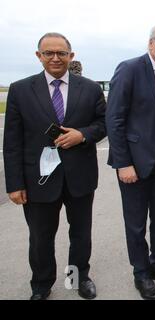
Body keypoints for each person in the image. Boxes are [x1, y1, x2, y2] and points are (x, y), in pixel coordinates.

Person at [3, 32, 106, 300]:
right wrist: (14, 185)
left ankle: (78, 278)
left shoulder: (91, 88)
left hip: (79, 177)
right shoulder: (20, 90)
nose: (55, 58)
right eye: (49, 53)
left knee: (81, 234)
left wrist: (82, 134)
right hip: (39, 179)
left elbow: (105, 124)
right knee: (40, 238)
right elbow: (12, 142)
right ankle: (41, 285)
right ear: (39, 56)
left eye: (61, 53)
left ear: (71, 56)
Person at [106, 23, 155, 300]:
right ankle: (141, 273)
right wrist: (123, 163)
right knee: (136, 222)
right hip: (134, 162)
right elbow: (114, 119)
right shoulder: (129, 69)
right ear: (152, 43)